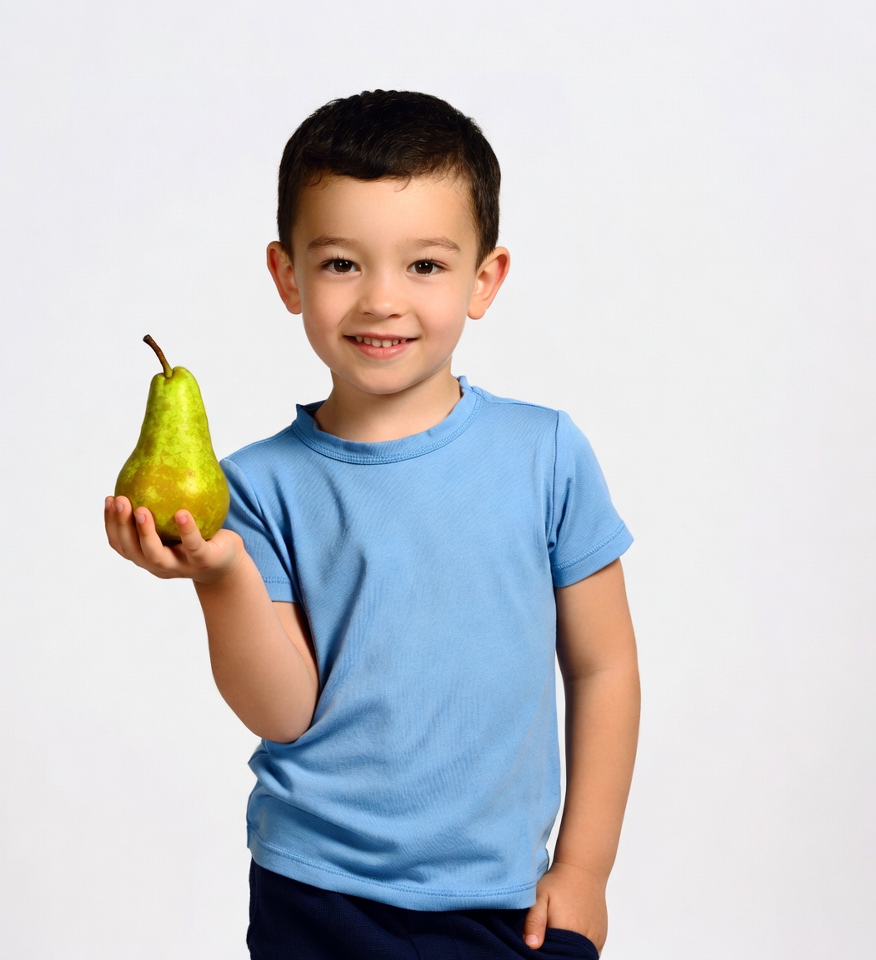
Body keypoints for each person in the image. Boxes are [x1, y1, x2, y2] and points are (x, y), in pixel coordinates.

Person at [104, 90, 639, 959]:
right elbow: (283, 710)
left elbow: (604, 665)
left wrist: (585, 867)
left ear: (484, 279)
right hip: (317, 894)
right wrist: (222, 574)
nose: (381, 300)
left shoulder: (545, 453)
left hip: (506, 901)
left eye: (424, 265)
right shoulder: (254, 486)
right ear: (288, 276)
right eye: (342, 264)